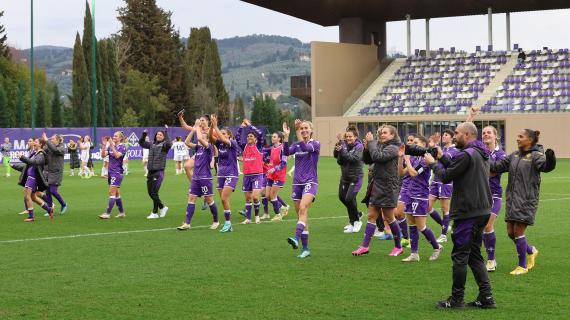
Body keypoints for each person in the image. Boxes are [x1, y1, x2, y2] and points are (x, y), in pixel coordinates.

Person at [425, 122, 495, 309]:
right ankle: (486, 298)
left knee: (460, 256)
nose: (454, 136)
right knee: (473, 255)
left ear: (467, 135)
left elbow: (447, 176)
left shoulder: (467, 154)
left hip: (468, 212)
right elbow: (460, 168)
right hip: (481, 210)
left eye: (456, 133)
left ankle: (457, 300)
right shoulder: (479, 153)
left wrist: (433, 164)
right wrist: (442, 158)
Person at [490, 129, 556, 276]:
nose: (517, 138)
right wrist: (483, 157)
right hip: (512, 200)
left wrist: (550, 158)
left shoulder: (536, 156)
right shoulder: (514, 155)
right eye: (518, 136)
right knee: (510, 232)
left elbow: (547, 167)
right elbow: (496, 167)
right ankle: (531, 250)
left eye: (521, 136)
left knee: (518, 231)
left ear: (530, 140)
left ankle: (522, 265)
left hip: (526, 200)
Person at [352, 125, 403, 257]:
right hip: (377, 184)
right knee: (371, 216)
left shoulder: (394, 147)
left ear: (393, 135)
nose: (381, 134)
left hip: (387, 186)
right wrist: (366, 148)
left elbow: (378, 157)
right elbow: (368, 159)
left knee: (389, 216)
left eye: (385, 132)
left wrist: (371, 143)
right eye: (380, 132)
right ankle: (364, 246)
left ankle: (398, 246)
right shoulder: (380, 145)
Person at [399, 135, 443, 262]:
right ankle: (414, 254)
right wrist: (401, 158)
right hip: (410, 194)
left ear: (423, 145)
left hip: (420, 195)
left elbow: (413, 173)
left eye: (416, 143)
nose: (412, 145)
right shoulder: (414, 158)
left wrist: (406, 159)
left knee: (421, 226)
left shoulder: (426, 159)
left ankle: (437, 247)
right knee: (411, 225)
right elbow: (401, 173)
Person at [283, 120, 320, 259]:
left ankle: (296, 238)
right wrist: (286, 137)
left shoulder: (315, 144)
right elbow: (286, 152)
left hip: (310, 182)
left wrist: (297, 132)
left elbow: (306, 148)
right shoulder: (296, 144)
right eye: (302, 128)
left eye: (306, 128)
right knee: (301, 215)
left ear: (311, 130)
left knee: (303, 208)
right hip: (297, 183)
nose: (303, 130)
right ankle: (305, 249)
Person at [177, 119, 220, 230]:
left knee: (209, 200)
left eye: (205, 137)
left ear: (207, 139)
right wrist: (193, 130)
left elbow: (200, 138)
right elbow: (186, 142)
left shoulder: (208, 147)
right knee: (191, 198)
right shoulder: (199, 148)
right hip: (196, 178)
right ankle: (187, 223)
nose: (202, 138)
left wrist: (196, 127)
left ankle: (216, 221)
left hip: (205, 178)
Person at [480, 126, 507, 272]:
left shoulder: (501, 154)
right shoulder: (480, 150)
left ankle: (491, 260)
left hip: (494, 195)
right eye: (483, 133)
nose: (485, 134)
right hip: (479, 194)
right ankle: (528, 249)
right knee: (478, 227)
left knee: (487, 225)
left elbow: (493, 172)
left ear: (495, 136)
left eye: (489, 132)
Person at [209, 114, 240, 232]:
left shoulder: (232, 143)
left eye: (224, 133)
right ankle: (229, 224)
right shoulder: (219, 143)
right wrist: (212, 126)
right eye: (220, 132)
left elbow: (221, 138)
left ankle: (227, 223)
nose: (221, 134)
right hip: (221, 174)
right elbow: (211, 137)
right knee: (224, 200)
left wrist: (216, 126)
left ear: (229, 136)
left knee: (223, 198)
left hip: (231, 173)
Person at [427, 129, 459, 243]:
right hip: (436, 180)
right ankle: (444, 225)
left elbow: (446, 160)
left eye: (446, 135)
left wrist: (436, 148)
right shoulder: (443, 148)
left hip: (446, 181)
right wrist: (432, 146)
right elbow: (434, 158)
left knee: (445, 209)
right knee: (427, 206)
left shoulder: (454, 150)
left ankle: (443, 235)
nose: (443, 137)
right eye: (443, 135)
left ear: (451, 138)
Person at [333, 126, 364, 233]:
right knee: (342, 197)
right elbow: (338, 159)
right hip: (345, 178)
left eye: (350, 136)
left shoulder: (359, 146)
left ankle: (356, 221)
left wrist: (342, 149)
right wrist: (337, 149)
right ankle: (355, 218)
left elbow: (353, 159)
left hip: (356, 178)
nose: (348, 138)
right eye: (346, 136)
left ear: (355, 137)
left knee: (349, 199)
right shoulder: (343, 144)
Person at [235, 119, 265, 224]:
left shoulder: (259, 146)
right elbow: (237, 137)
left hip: (257, 175)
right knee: (248, 199)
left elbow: (260, 133)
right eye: (248, 136)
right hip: (247, 176)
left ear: (256, 139)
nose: (249, 138)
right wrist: (241, 127)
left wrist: (250, 126)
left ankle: (257, 216)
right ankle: (247, 218)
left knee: (255, 197)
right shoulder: (245, 146)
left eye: (251, 136)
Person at [139, 125, 172, 220]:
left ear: (164, 137)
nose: (159, 136)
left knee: (154, 192)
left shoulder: (164, 145)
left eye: (161, 135)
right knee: (150, 192)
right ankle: (161, 208)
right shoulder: (152, 145)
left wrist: (166, 132)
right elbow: (141, 142)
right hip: (150, 172)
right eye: (158, 134)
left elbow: (169, 144)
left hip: (159, 172)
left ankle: (155, 211)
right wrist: (144, 134)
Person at [18, 138, 51, 222]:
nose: (33, 143)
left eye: (35, 142)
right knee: (33, 197)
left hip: (33, 178)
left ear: (40, 144)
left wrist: (22, 157)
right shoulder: (35, 153)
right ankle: (49, 209)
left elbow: (33, 163)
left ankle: (31, 216)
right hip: (31, 177)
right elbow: (29, 163)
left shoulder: (41, 154)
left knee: (27, 196)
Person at [98, 132, 127, 219]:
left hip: (117, 172)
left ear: (120, 138)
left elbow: (117, 155)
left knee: (111, 191)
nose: (114, 137)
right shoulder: (112, 146)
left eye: (116, 136)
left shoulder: (122, 146)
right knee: (116, 193)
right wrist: (104, 146)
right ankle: (122, 213)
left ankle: (107, 213)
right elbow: (103, 155)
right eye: (113, 136)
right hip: (111, 172)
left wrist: (111, 145)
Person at [262, 130, 289, 222]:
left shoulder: (283, 148)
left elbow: (284, 162)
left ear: (279, 139)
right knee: (267, 196)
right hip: (271, 175)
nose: (272, 138)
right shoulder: (272, 148)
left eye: (274, 137)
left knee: (273, 195)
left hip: (279, 175)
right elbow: (264, 154)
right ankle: (283, 207)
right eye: (272, 136)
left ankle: (278, 215)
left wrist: (275, 168)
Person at [41, 133, 68, 215]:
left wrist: (46, 141)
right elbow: (43, 150)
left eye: (52, 139)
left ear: (57, 140)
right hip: (48, 171)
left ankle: (63, 204)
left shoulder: (62, 147)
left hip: (56, 172)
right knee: (47, 191)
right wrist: (41, 144)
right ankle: (49, 209)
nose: (50, 140)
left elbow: (55, 150)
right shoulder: (49, 146)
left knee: (53, 190)